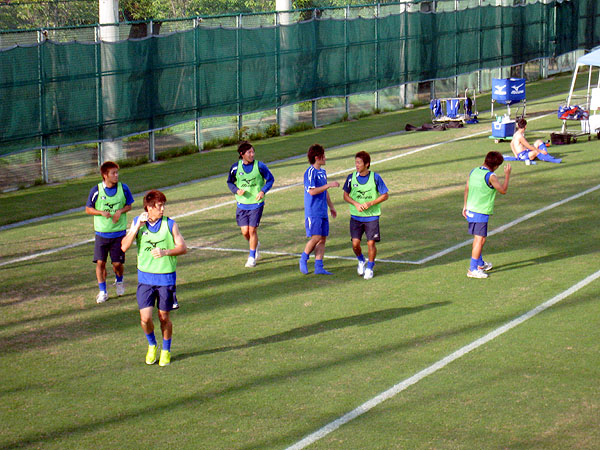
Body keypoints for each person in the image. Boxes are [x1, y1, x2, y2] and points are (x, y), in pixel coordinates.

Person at [121, 190, 187, 367]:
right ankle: (152, 345)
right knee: (145, 318)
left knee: (164, 317)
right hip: (145, 280)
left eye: (163, 205)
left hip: (165, 280)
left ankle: (166, 350)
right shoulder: (138, 223)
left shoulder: (170, 224)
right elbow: (124, 247)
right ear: (149, 207)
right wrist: (136, 227)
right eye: (159, 206)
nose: (163, 209)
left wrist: (165, 252)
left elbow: (183, 248)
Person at [85, 161, 134, 303]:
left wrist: (120, 211)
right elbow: (88, 209)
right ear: (105, 175)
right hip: (101, 234)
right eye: (113, 173)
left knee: (117, 264)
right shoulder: (96, 190)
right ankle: (103, 291)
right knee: (100, 263)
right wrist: (100, 212)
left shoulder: (123, 188)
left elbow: (129, 205)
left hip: (118, 234)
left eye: (117, 173)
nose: (116, 175)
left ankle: (119, 281)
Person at [462, 151, 511, 279]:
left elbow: (467, 188)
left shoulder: (474, 171)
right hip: (480, 211)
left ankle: (480, 264)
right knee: (480, 239)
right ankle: (473, 269)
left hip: (471, 209)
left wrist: (465, 206)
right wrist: (507, 176)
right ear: (496, 165)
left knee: (479, 239)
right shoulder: (491, 176)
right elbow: (503, 190)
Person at [226, 141, 275, 268]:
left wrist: (263, 191)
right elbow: (230, 182)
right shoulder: (235, 168)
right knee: (245, 232)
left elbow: (270, 179)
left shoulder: (260, 166)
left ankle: (252, 257)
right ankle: (255, 244)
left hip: (256, 204)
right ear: (242, 154)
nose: (252, 154)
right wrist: (236, 190)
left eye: (253, 152)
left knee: (252, 230)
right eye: (249, 152)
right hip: (242, 204)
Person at [343, 151, 389, 280]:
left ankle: (370, 267)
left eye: (359, 163)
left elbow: (385, 195)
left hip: (372, 217)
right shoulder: (351, 178)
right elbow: (345, 196)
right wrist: (356, 204)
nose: (356, 165)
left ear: (367, 164)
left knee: (371, 243)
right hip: (356, 217)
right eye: (356, 162)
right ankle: (361, 260)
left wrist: (371, 203)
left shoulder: (375, 178)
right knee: (355, 244)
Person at [300, 144, 339, 275]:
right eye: (323, 155)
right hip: (313, 211)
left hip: (323, 211)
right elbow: (312, 191)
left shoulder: (323, 172)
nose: (325, 158)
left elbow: (325, 192)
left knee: (322, 239)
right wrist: (329, 185)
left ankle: (319, 267)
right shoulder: (310, 172)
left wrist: (331, 207)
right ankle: (304, 258)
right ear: (317, 157)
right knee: (316, 237)